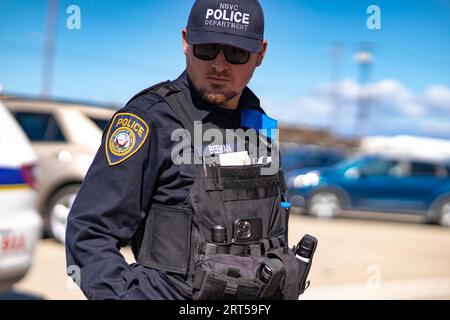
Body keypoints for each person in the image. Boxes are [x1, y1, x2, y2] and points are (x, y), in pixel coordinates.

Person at [66, 0, 308, 300]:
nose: (219, 65)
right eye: (206, 49)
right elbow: (90, 233)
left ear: (260, 54)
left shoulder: (259, 124)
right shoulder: (150, 119)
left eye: (236, 53)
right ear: (185, 42)